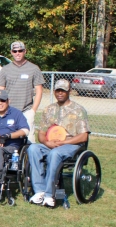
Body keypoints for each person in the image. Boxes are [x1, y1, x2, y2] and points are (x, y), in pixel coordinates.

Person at [27, 79, 89, 207]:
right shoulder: (49, 109)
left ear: (69, 91)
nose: (60, 93)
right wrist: (46, 142)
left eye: (63, 91)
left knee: (55, 154)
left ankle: (50, 195)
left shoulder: (78, 110)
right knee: (33, 148)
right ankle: (39, 191)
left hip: (71, 145)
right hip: (51, 143)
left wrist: (64, 142)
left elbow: (83, 136)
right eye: (58, 90)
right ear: (54, 91)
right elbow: (42, 133)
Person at [0, 41, 45, 143]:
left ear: (25, 51)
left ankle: (29, 158)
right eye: (15, 51)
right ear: (11, 52)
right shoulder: (5, 69)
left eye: (20, 51)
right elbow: (0, 90)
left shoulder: (34, 68)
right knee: (6, 137)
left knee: (29, 140)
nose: (17, 53)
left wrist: (33, 110)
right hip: (8, 110)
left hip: (26, 110)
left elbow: (39, 91)